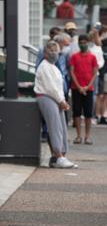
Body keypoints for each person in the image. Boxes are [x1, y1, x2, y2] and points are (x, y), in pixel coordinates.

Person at [34, 41, 77, 169]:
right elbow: (51, 88)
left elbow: (58, 87)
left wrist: (62, 100)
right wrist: (61, 101)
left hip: (56, 99)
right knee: (54, 127)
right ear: (45, 53)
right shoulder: (44, 66)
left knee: (61, 126)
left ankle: (60, 156)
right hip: (46, 97)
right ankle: (58, 156)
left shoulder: (53, 66)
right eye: (51, 51)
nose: (54, 53)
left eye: (55, 50)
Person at [69, 34, 99, 145]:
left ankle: (87, 136)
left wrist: (87, 86)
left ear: (88, 43)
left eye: (85, 42)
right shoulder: (74, 56)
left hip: (89, 88)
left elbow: (95, 73)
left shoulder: (93, 57)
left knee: (88, 113)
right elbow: (72, 71)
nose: (83, 44)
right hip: (76, 88)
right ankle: (78, 136)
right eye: (81, 42)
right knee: (76, 112)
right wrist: (79, 86)